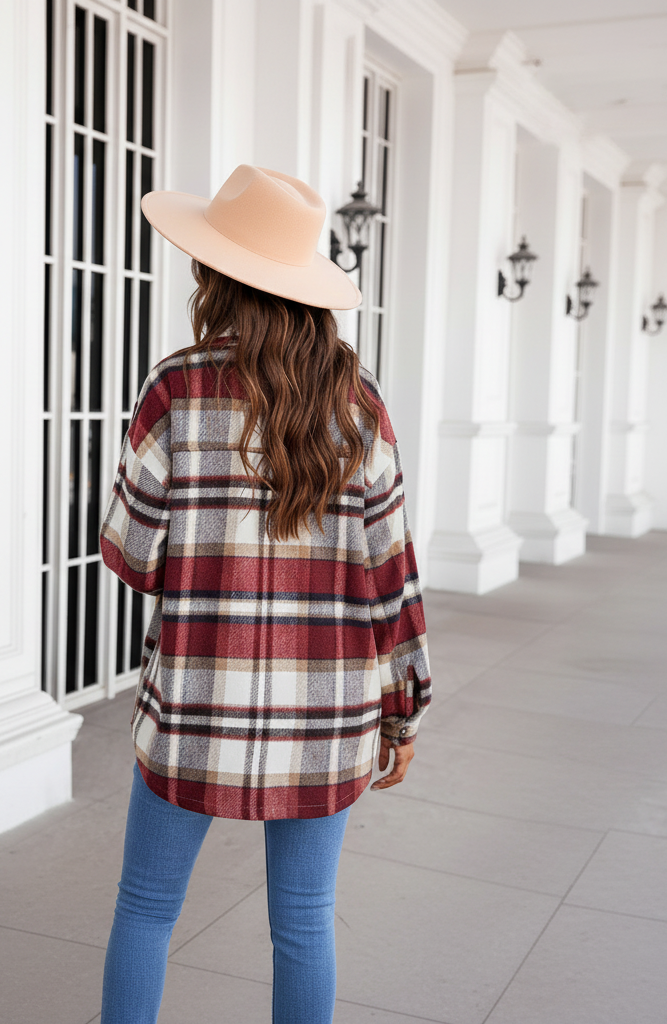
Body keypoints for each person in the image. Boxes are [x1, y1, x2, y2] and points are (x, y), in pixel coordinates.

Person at [98, 164, 431, 1024]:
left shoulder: (174, 388)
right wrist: (404, 711)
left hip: (196, 706)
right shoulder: (360, 403)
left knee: (145, 909)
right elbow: (392, 573)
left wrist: (213, 562)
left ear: (215, 276)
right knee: (306, 921)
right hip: (329, 716)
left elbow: (130, 556)